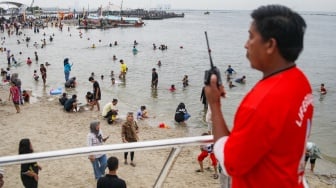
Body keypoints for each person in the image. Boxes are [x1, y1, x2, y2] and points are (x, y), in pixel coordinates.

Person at [205, 5, 313, 187]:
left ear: (270, 45)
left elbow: (231, 164)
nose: (246, 44)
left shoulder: (262, 102)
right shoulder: (300, 80)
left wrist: (214, 104)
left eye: (251, 37)